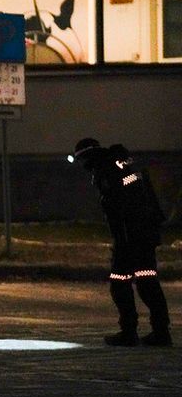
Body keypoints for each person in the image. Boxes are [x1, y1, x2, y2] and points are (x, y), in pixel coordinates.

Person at [70, 138, 172, 347]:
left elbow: (124, 202)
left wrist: (124, 238)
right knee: (145, 281)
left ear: (87, 156)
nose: (82, 166)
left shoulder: (108, 169)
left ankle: (132, 332)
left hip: (132, 236)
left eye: (81, 160)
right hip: (140, 234)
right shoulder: (119, 163)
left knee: (125, 283)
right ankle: (159, 332)